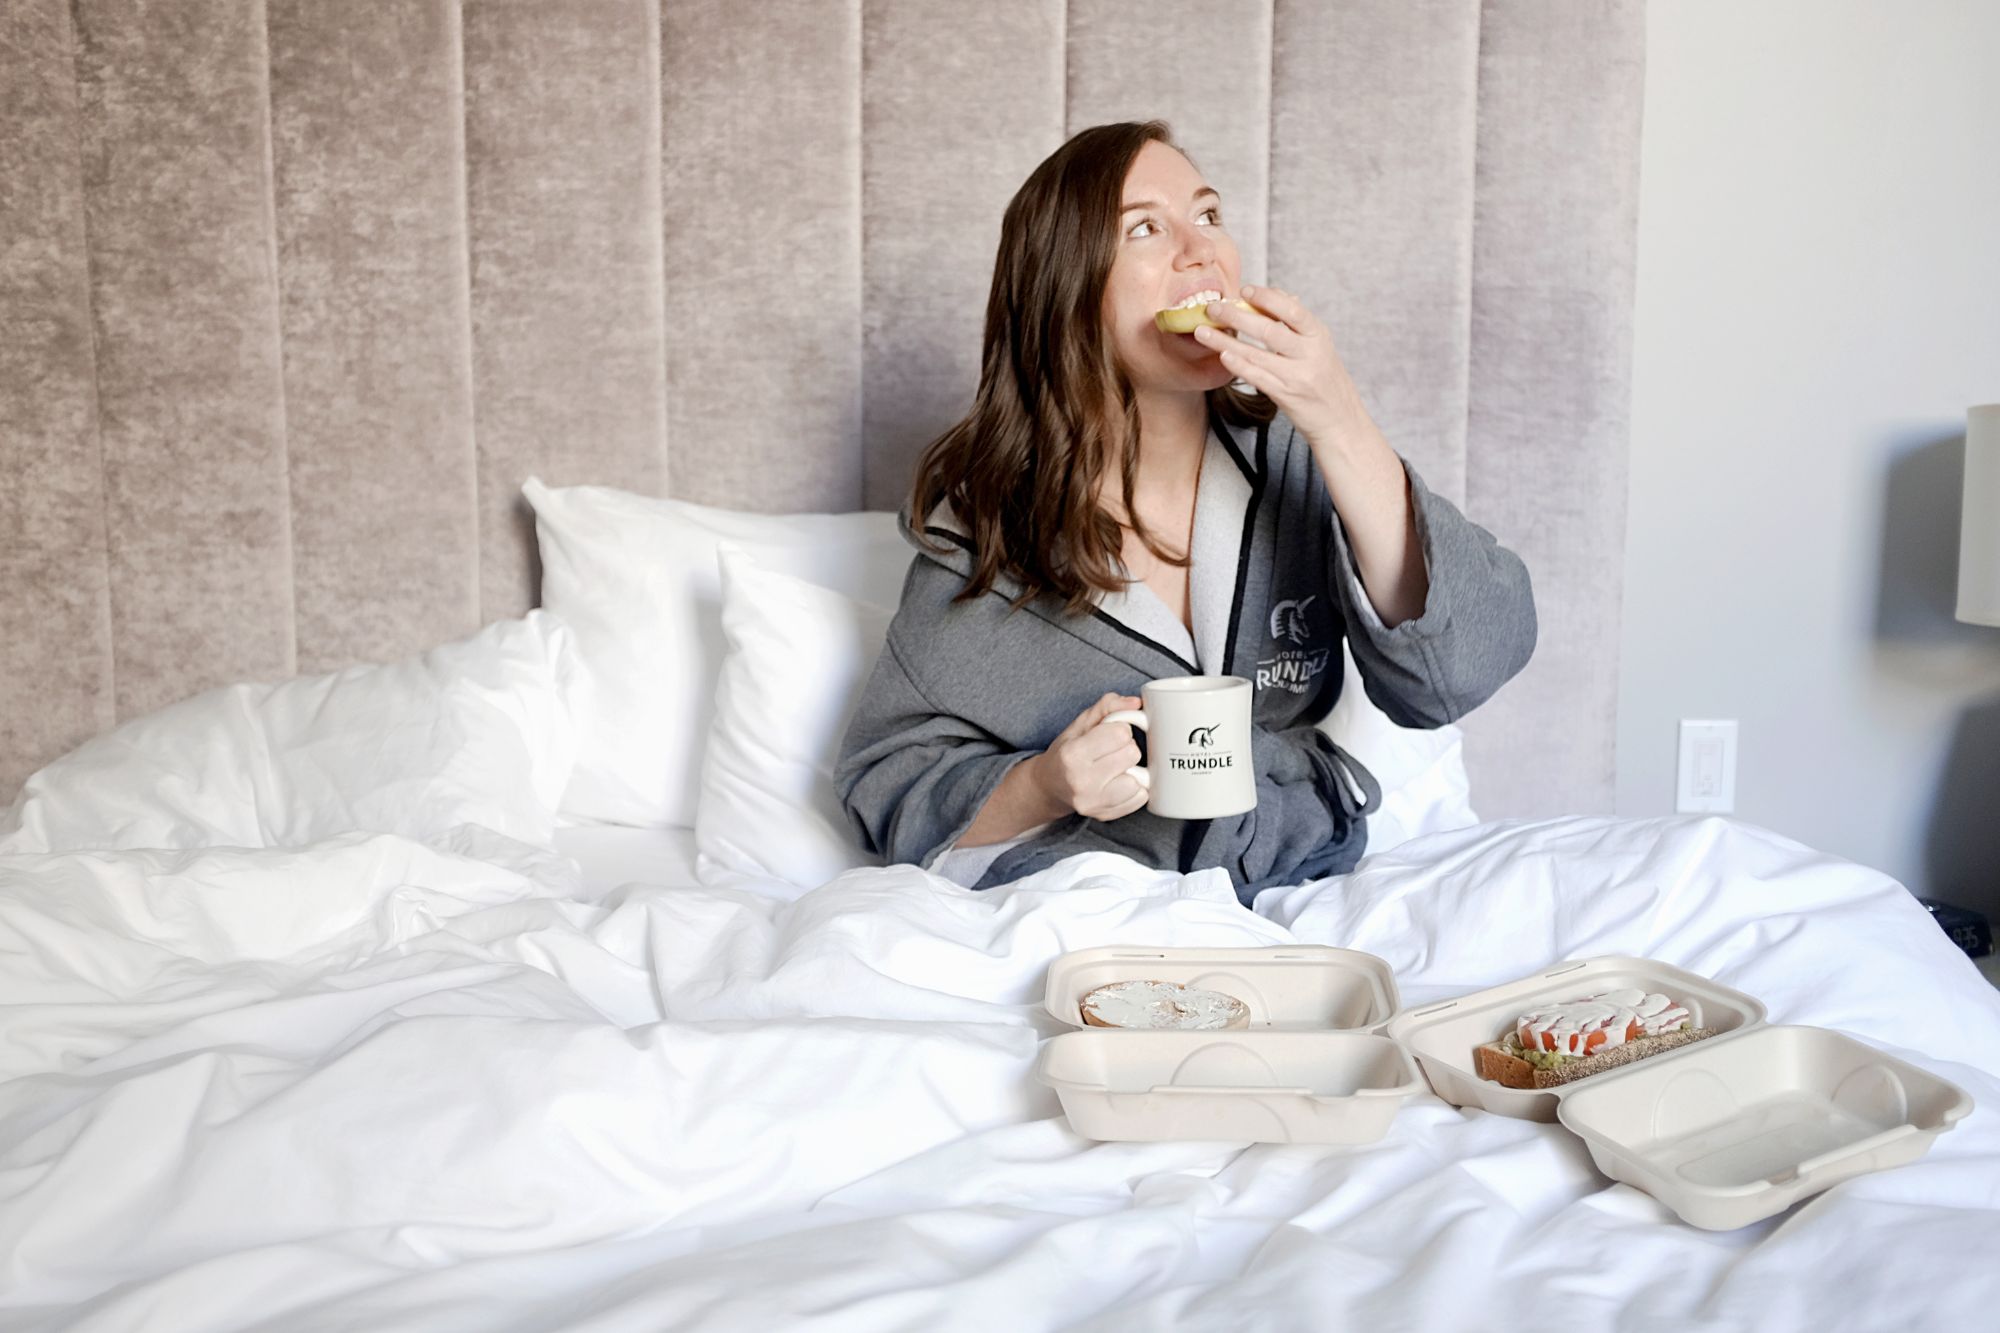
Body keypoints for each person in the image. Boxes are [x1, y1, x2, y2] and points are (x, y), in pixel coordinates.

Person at [834, 121, 1535, 906]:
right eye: (1146, 228)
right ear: (1066, 289)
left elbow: (1460, 669)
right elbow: (887, 778)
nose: (1202, 251)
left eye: (1207, 216)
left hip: (1302, 884)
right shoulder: (986, 532)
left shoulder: (1295, 459)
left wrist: (1340, 418)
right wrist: (1045, 784)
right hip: (1083, 906)